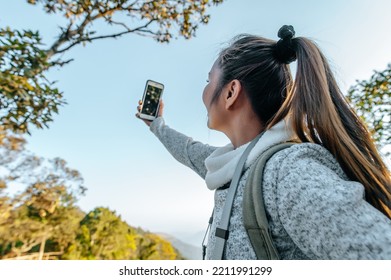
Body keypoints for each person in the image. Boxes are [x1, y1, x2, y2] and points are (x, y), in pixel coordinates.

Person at [136, 25, 391, 260]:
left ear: (230, 92)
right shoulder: (233, 165)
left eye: (208, 80)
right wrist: (157, 125)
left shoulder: (288, 172)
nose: (203, 92)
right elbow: (190, 151)